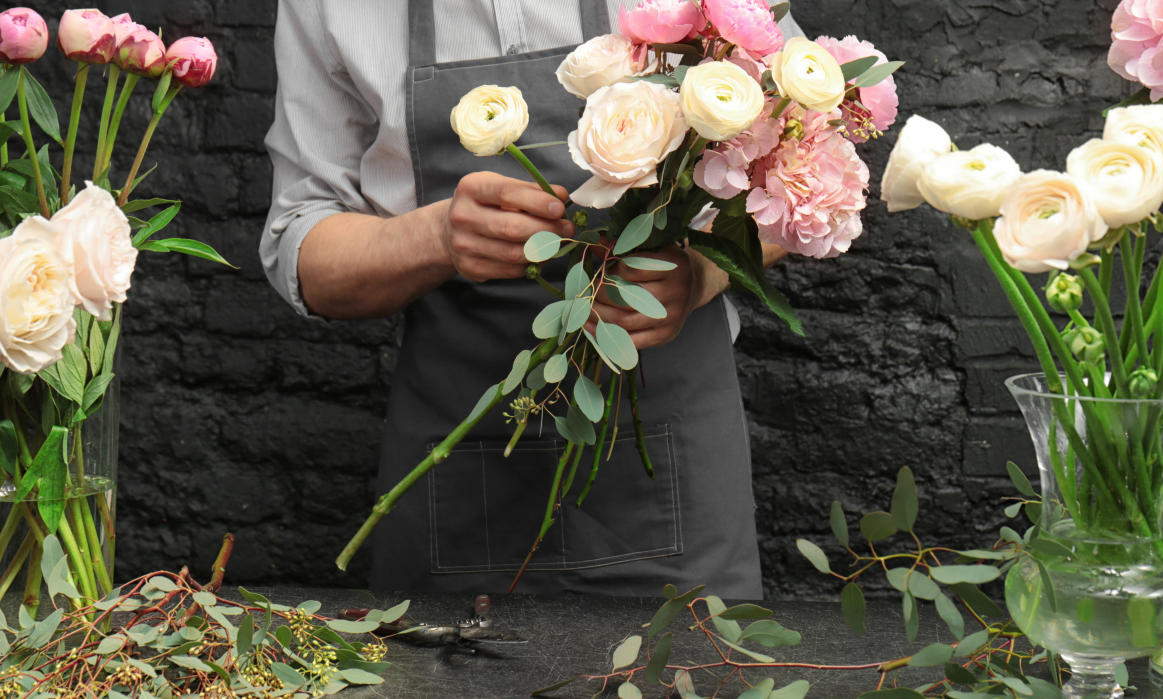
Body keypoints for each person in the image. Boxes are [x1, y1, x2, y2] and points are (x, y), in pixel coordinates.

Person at [261, 1, 801, 598]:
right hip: (457, 473)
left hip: (672, 459)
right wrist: (435, 237)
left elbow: (804, 163)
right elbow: (302, 251)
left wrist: (699, 272)